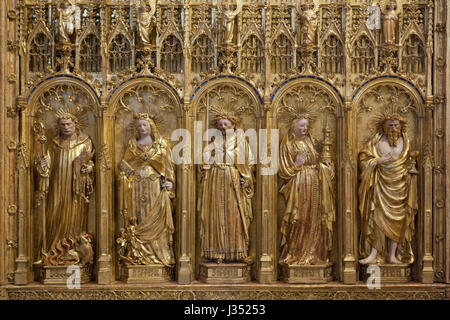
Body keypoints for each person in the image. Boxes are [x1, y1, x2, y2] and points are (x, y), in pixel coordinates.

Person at [36, 110, 94, 266]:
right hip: (57, 186)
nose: (66, 127)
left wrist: (88, 169)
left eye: (69, 124)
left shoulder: (85, 142)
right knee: (55, 214)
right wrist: (43, 164)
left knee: (74, 216)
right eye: (63, 125)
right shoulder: (53, 143)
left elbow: (91, 162)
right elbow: (44, 166)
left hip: (76, 188)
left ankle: (73, 248)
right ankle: (53, 251)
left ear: (75, 124)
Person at [358, 113, 418, 264]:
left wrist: (411, 170)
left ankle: (392, 255)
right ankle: (373, 254)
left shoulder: (406, 142)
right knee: (378, 218)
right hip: (381, 184)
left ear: (401, 126)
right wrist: (377, 161)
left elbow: (410, 162)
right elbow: (363, 160)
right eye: (390, 125)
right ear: (384, 126)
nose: (393, 128)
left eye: (396, 125)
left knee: (399, 221)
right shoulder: (376, 141)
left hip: (400, 186)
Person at [117, 113, 175, 267]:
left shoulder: (161, 145)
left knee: (155, 216)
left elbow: (168, 166)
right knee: (138, 216)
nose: (142, 128)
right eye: (139, 126)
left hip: (155, 185)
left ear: (151, 127)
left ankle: (158, 255)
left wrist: (169, 182)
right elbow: (123, 165)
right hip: (136, 185)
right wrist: (126, 177)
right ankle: (139, 255)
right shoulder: (132, 145)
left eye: (145, 125)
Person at [278, 117, 335, 265]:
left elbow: (321, 161)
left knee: (315, 217)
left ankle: (314, 253)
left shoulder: (312, 141)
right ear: (293, 125)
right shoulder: (288, 143)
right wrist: (297, 164)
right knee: (300, 218)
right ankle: (296, 253)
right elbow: (283, 169)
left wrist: (327, 168)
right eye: (301, 126)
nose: (304, 129)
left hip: (316, 182)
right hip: (300, 184)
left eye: (306, 126)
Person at [198, 115, 254, 263]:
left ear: (233, 125)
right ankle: (216, 252)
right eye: (220, 125)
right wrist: (208, 161)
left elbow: (249, 161)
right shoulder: (215, 141)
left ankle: (236, 252)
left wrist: (246, 178)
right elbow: (205, 156)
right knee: (215, 213)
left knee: (234, 213)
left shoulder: (240, 140)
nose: (222, 127)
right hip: (215, 178)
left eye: (225, 124)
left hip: (232, 177)